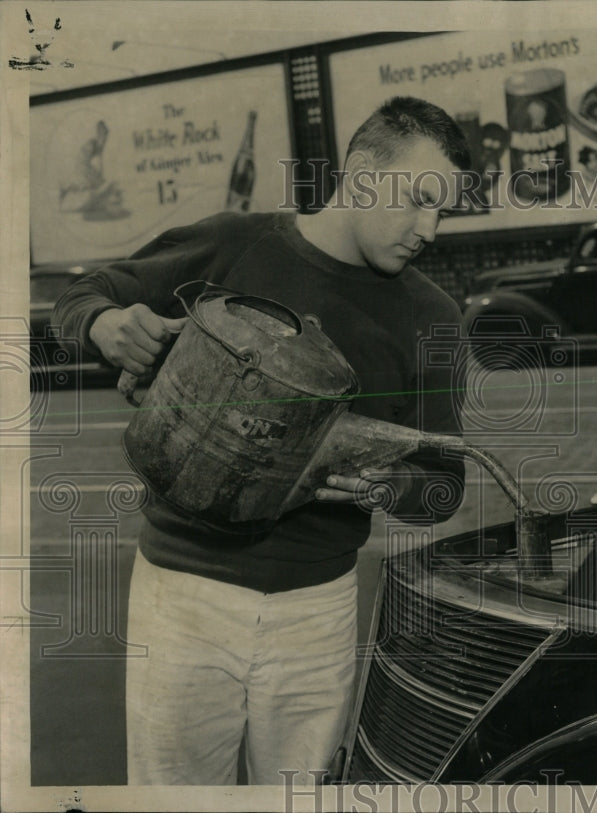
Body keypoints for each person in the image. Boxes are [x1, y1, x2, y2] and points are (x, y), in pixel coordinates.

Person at [52, 96, 471, 786]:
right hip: (184, 596)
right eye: (419, 199)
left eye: (443, 211)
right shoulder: (232, 243)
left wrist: (389, 484)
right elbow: (84, 294)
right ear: (362, 174)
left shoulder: (435, 317)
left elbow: (442, 486)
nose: (428, 228)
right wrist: (103, 323)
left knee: (298, 799)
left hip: (319, 610)